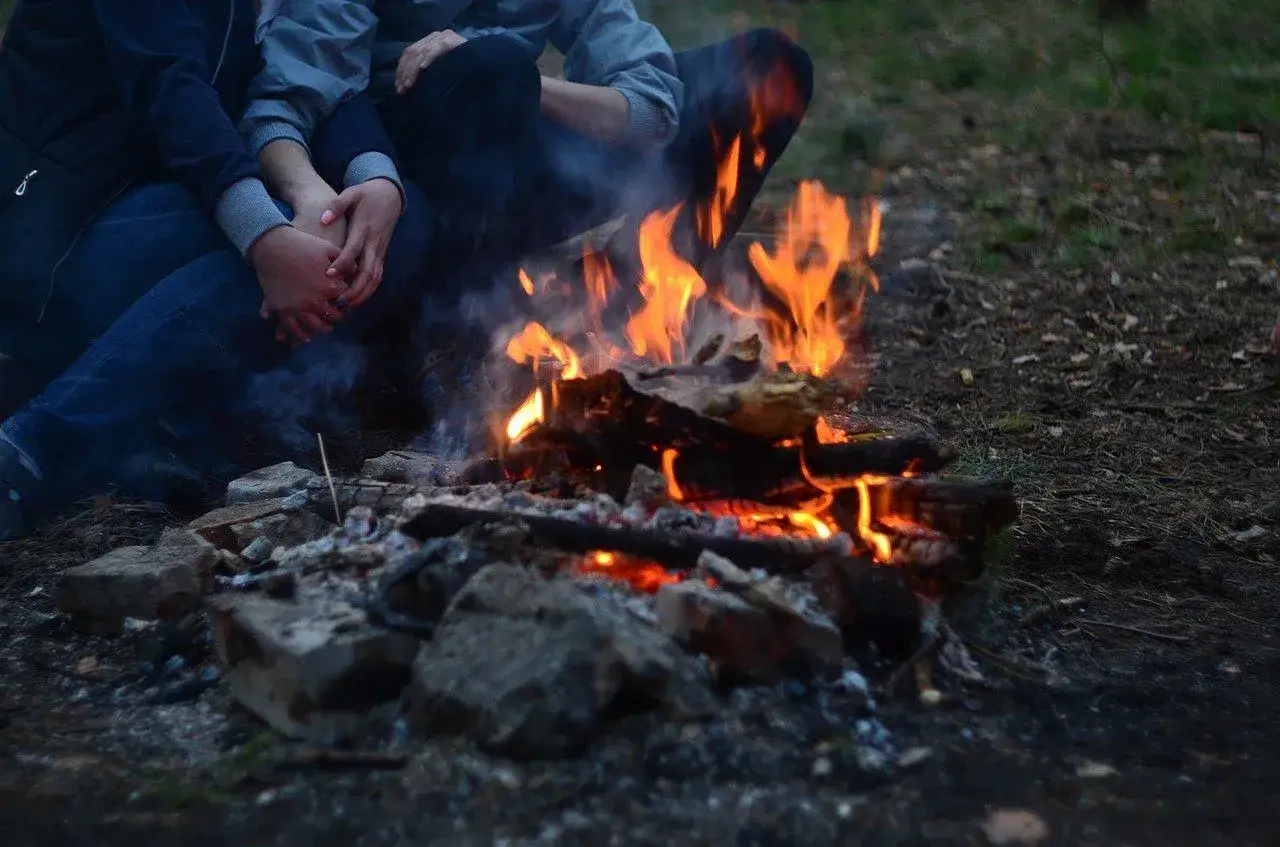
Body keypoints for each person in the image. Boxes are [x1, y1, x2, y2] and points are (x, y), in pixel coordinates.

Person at [0, 0, 433, 542]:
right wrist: (265, 237)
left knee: (384, 226)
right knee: (283, 244)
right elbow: (170, 88)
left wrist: (373, 177)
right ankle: (31, 449)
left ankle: (177, 423)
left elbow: (313, 78)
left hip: (175, 199)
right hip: (57, 226)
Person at [243, 0, 813, 289]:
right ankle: (453, 337)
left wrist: (536, 88)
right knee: (492, 67)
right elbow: (282, 105)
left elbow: (653, 110)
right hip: (409, 192)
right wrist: (307, 195)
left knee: (771, 68)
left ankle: (632, 295)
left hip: (517, 162)